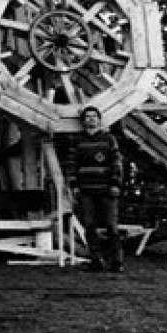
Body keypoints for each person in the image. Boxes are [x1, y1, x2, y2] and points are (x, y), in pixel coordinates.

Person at [62, 106, 126, 272]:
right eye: (87, 117)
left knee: (111, 226)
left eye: (94, 116)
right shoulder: (77, 141)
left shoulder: (109, 139)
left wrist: (115, 184)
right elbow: (71, 165)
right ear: (83, 121)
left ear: (99, 120)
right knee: (89, 226)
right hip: (85, 190)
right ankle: (96, 261)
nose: (91, 119)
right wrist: (74, 186)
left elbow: (117, 163)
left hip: (107, 189)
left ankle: (117, 262)